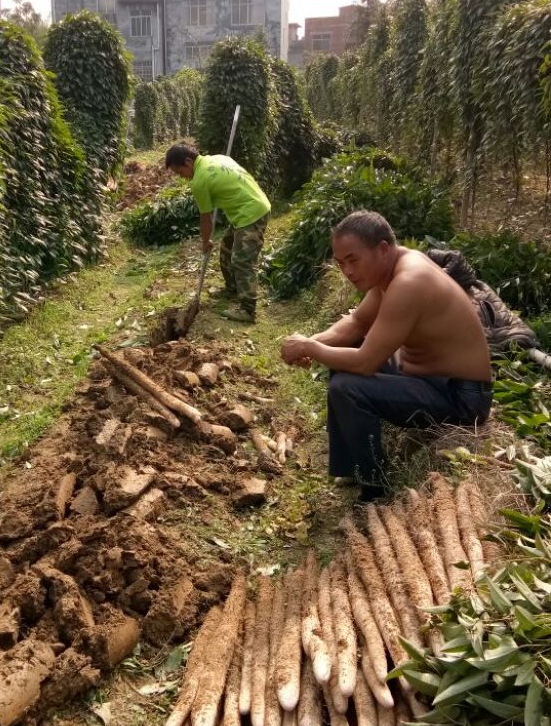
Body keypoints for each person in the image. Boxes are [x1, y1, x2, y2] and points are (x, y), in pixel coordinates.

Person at [280, 210, 493, 501]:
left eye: (354, 260)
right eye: (341, 263)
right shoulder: (393, 269)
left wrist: (311, 349)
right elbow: (356, 323)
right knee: (342, 362)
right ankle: (354, 467)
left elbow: (366, 363)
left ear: (382, 248)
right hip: (427, 378)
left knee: (347, 386)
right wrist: (308, 342)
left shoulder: (409, 281)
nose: (348, 272)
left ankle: (375, 488)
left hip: (462, 398)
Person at [165, 142, 271, 323]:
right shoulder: (218, 158)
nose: (183, 178)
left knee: (242, 261)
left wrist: (205, 242)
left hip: (250, 214)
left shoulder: (199, 180)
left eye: (181, 173)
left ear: (188, 162)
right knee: (226, 248)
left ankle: (248, 310)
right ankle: (232, 288)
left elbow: (206, 219)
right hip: (251, 207)